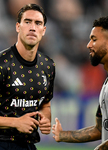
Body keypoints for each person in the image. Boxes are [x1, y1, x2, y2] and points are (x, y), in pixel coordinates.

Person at [0, 3, 56, 150]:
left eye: (38, 23)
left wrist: (45, 118)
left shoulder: (48, 66)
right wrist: (15, 122)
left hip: (28, 145)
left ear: (43, 30)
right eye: (27, 22)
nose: (32, 27)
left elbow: (45, 103)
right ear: (18, 27)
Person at [52, 16, 108, 150]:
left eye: (94, 39)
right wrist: (62, 135)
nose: (88, 45)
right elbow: (100, 129)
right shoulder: (106, 84)